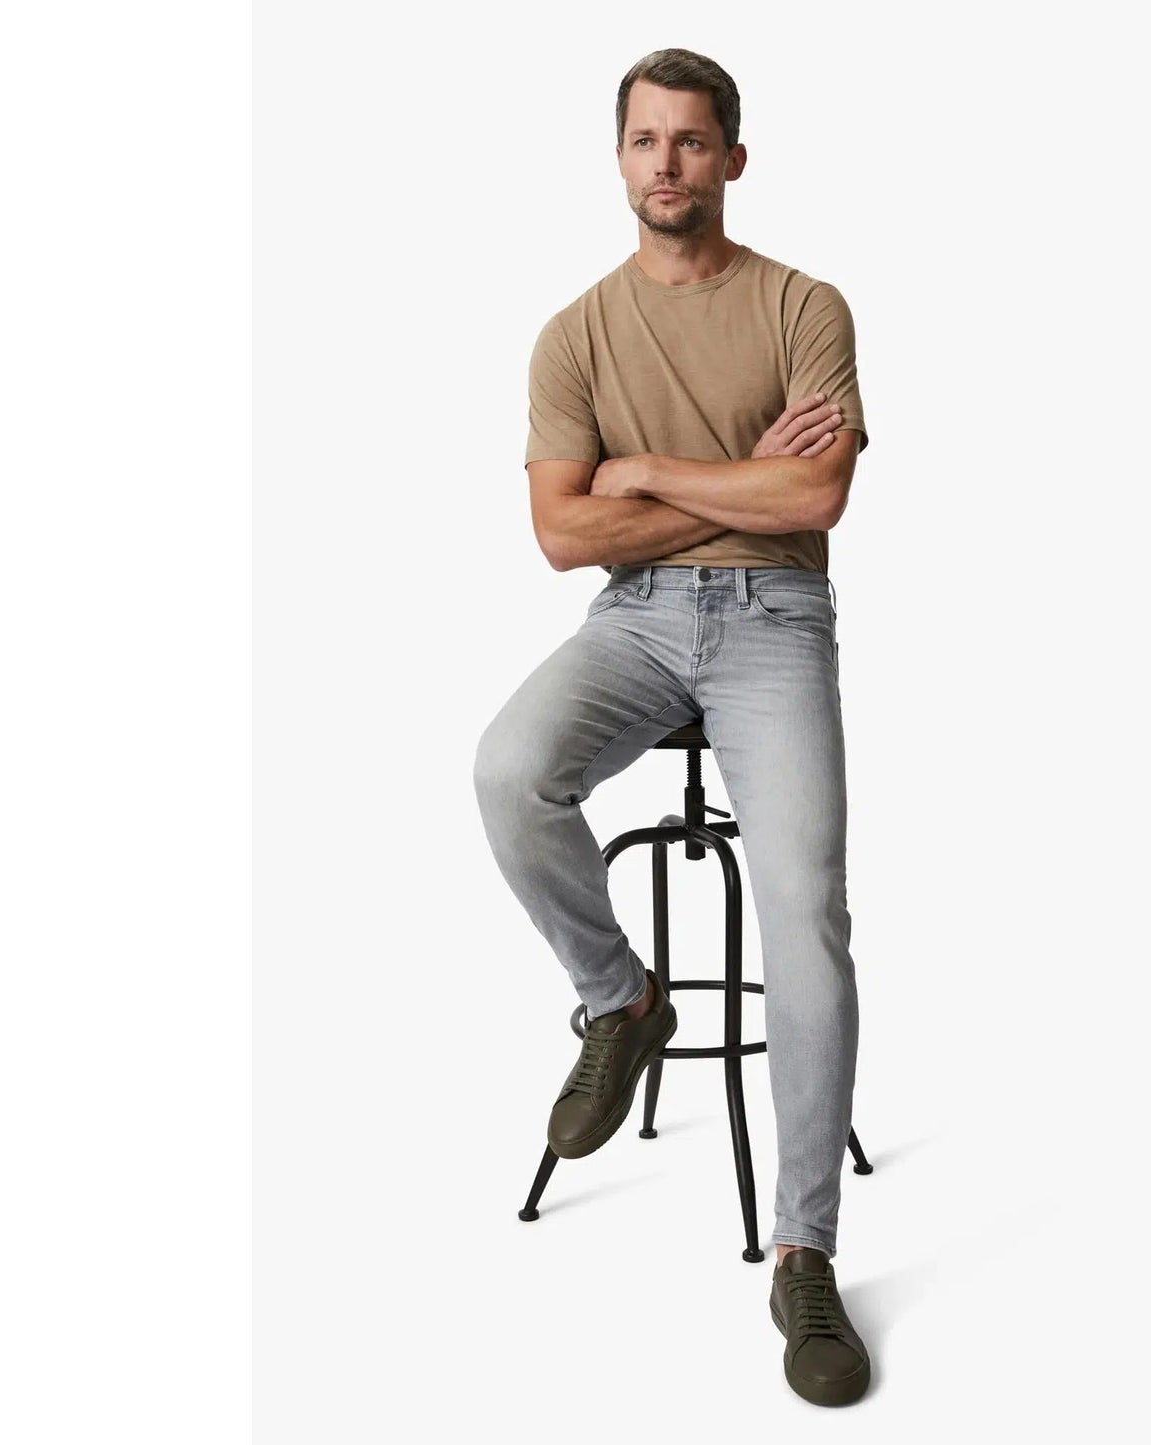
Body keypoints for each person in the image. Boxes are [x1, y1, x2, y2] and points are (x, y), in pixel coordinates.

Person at [473, 47, 872, 1407]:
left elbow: (813, 503)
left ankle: (805, 1252)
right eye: (646, 140)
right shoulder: (573, 334)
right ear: (619, 158)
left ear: (732, 160)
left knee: (803, 906)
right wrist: (737, 481)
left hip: (776, 618)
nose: (668, 163)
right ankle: (622, 999)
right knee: (510, 770)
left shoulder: (804, 306)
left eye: (693, 141)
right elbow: (559, 534)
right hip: (634, 621)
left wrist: (640, 470)